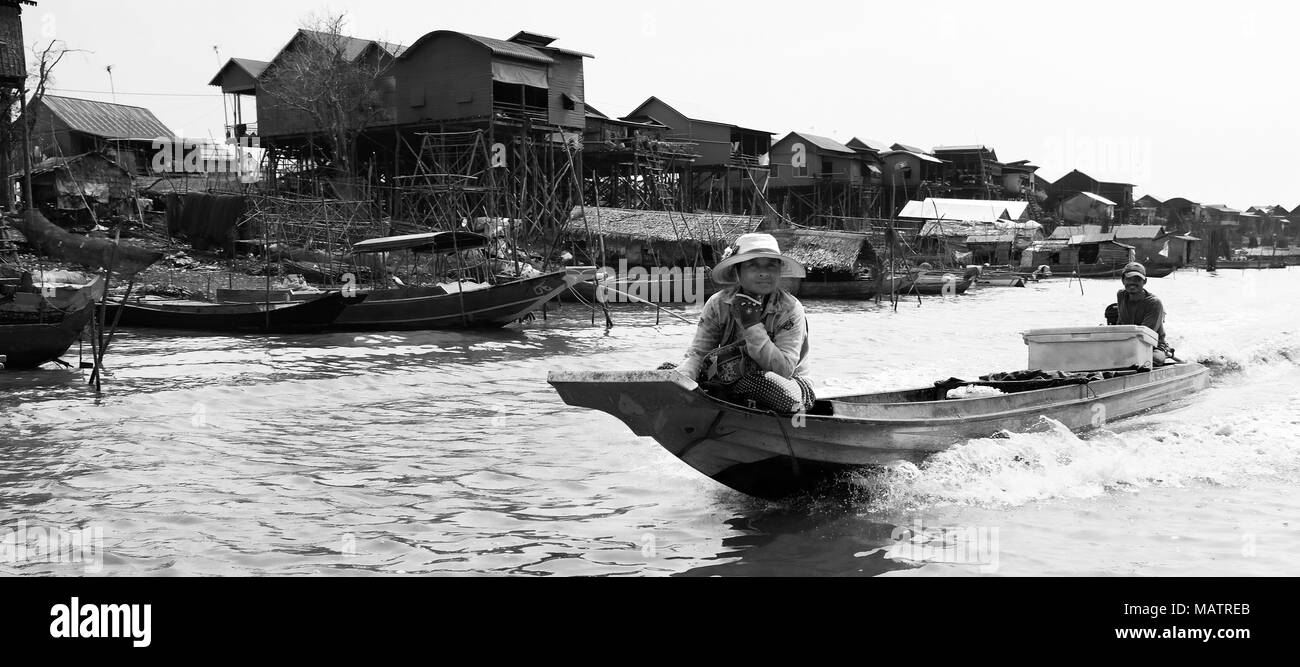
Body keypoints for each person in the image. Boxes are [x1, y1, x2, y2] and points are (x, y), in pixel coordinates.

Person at [670, 233, 815, 413]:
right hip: (730, 380)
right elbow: (699, 354)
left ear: (779, 270)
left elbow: (783, 370)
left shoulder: (790, 308)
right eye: (753, 265)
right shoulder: (718, 304)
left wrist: (752, 325)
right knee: (668, 374)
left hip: (788, 385)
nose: (764, 273)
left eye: (771, 265)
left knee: (765, 383)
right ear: (737, 272)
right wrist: (683, 379)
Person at [1111, 262, 1173, 365]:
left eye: (1137, 280)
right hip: (1126, 342)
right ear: (1123, 280)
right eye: (1129, 279)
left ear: (1145, 281)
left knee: (1150, 359)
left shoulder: (1154, 303)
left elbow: (1144, 336)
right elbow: (1120, 324)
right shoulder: (1121, 295)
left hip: (1152, 346)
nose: (1132, 283)